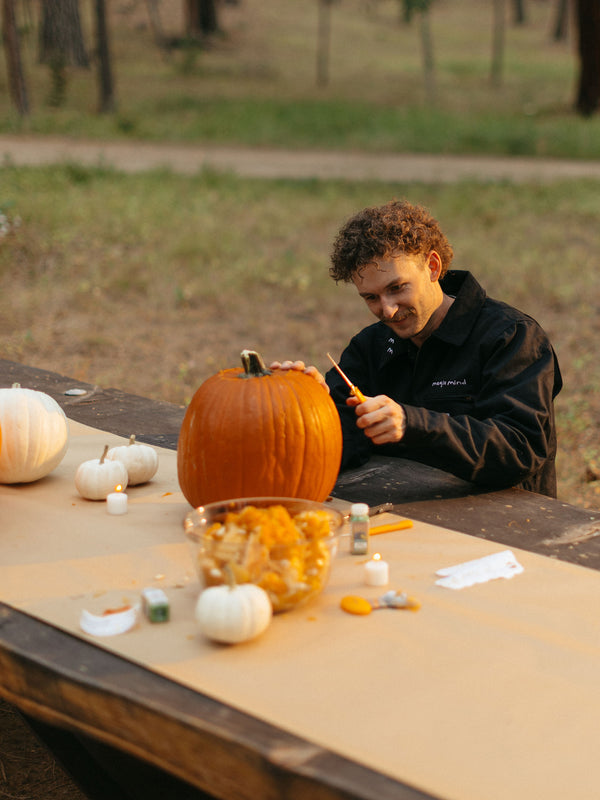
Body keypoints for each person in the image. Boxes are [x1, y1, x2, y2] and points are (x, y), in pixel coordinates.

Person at [273, 199, 562, 497]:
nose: (386, 310)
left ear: (433, 266)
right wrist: (307, 406)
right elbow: (340, 438)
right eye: (370, 297)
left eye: (397, 288)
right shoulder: (370, 347)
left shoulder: (511, 336)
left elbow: (519, 449)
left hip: (505, 523)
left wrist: (413, 425)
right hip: (400, 514)